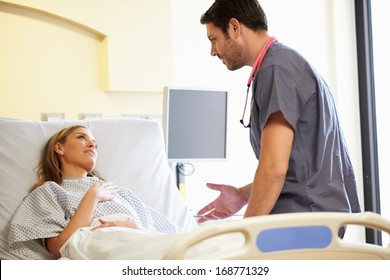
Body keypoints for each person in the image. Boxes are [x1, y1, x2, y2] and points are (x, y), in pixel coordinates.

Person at [197, 0, 361, 223]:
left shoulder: (277, 70)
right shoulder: (280, 64)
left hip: (305, 222)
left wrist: (246, 233)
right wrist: (242, 195)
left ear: (234, 28)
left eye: (213, 39)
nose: (212, 51)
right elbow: (298, 169)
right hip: (312, 218)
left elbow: (275, 169)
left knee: (221, 251)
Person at [8, 125, 181, 259]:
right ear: (59, 148)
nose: (92, 144)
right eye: (81, 137)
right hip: (99, 243)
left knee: (191, 249)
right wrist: (93, 196)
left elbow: (168, 235)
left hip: (141, 242)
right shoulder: (49, 191)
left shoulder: (119, 192)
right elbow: (60, 248)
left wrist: (137, 228)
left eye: (95, 144)